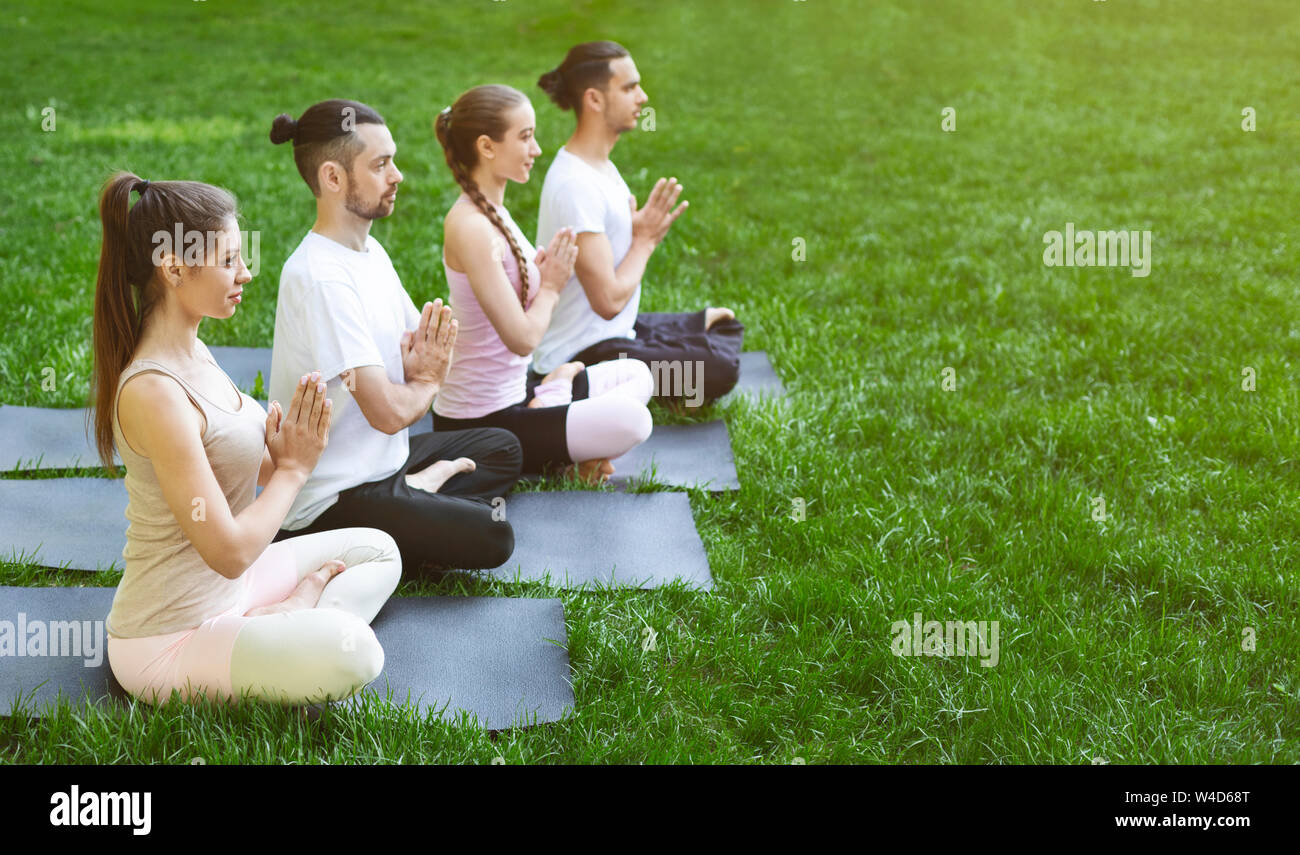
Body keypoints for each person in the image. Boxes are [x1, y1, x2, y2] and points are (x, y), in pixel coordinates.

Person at [89, 171, 401, 707]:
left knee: (380, 551)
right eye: (229, 259)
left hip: (237, 591)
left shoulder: (195, 349)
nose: (246, 272)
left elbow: (238, 474)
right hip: (170, 636)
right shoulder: (154, 392)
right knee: (357, 656)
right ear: (174, 267)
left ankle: (284, 621)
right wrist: (294, 471)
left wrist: (277, 456)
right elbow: (229, 551)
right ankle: (293, 619)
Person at [266, 99, 523, 571]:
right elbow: (387, 411)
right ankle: (409, 502)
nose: (397, 175)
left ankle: (417, 492)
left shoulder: (369, 251)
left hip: (387, 463)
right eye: (381, 164)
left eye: (393, 161)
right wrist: (426, 383)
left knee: (502, 448)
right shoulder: (321, 277)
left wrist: (421, 368)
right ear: (333, 178)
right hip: (333, 499)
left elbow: (416, 349)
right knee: (493, 534)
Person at [431, 84, 654, 481]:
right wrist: (550, 285)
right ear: (486, 146)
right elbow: (522, 339)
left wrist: (540, 271)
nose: (536, 150)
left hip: (520, 397)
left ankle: (554, 404)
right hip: (482, 424)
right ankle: (560, 420)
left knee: (636, 375)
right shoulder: (470, 226)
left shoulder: (495, 212)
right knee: (633, 420)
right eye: (526, 137)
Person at [532, 41, 745, 406]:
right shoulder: (575, 184)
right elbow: (608, 300)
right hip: (584, 357)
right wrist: (644, 241)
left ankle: (659, 346)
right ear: (594, 99)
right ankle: (586, 386)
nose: (642, 97)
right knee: (720, 367)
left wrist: (631, 227)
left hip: (617, 334)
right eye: (629, 87)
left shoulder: (599, 166)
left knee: (723, 323)